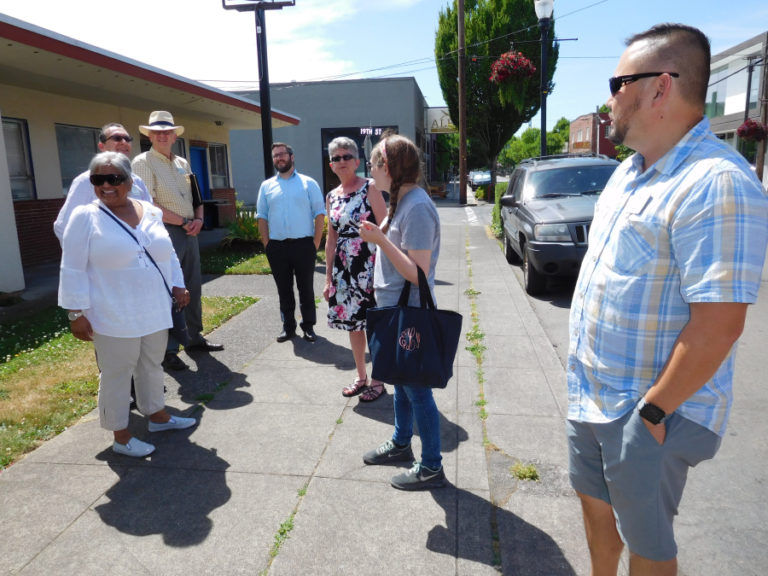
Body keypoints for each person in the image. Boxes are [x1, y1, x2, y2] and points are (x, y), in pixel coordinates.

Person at [566, 24, 768, 576]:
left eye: (617, 82)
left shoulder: (716, 182)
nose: (609, 99)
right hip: (591, 392)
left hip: (646, 407)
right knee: (596, 515)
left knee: (649, 544)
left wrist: (653, 412)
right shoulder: (627, 174)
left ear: (660, 87)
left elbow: (720, 324)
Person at [59, 152, 197, 457]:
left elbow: (168, 252)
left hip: (154, 309)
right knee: (117, 373)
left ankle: (157, 416)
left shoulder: (149, 211)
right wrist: (75, 312)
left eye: (115, 178)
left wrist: (178, 283)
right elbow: (71, 267)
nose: (107, 185)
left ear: (130, 181)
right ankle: (120, 435)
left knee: (151, 364)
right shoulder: (85, 217)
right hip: (112, 313)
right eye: (99, 179)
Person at [358, 134, 446, 491]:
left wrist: (380, 242)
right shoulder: (400, 201)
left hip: (409, 312)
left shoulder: (418, 207)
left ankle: (431, 466)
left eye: (375, 162)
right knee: (399, 381)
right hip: (393, 308)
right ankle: (400, 443)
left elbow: (419, 273)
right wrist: (378, 233)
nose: (371, 169)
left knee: (417, 390)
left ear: (390, 168)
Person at [131, 111, 223, 372]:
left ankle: (194, 338)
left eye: (166, 131)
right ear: (149, 135)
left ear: (174, 135)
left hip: (190, 230)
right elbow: (147, 203)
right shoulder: (142, 163)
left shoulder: (183, 162)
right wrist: (182, 222)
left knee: (192, 285)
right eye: (156, 131)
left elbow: (196, 194)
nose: (162, 135)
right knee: (169, 290)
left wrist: (199, 219)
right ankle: (169, 350)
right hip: (164, 232)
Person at [323, 137, 388, 401]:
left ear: (357, 161)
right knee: (353, 324)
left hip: (370, 266)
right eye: (336, 158)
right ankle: (361, 376)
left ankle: (379, 380)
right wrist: (328, 277)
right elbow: (331, 238)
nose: (341, 161)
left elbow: (386, 227)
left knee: (375, 324)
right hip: (344, 270)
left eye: (346, 156)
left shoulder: (370, 188)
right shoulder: (331, 197)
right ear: (331, 164)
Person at [257, 142, 326, 343]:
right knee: (283, 289)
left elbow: (319, 214)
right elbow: (262, 216)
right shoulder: (266, 186)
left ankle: (309, 326)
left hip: (304, 245)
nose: (279, 158)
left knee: (306, 288)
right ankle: (288, 327)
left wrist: (315, 243)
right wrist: (267, 244)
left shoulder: (308, 183)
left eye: (282, 154)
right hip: (277, 247)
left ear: (291, 156)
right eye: (275, 156)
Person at [53, 122, 152, 242]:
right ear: (102, 146)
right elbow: (64, 226)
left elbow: (151, 218)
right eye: (117, 138)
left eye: (127, 139)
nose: (124, 142)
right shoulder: (86, 180)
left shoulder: (137, 181)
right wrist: (87, 256)